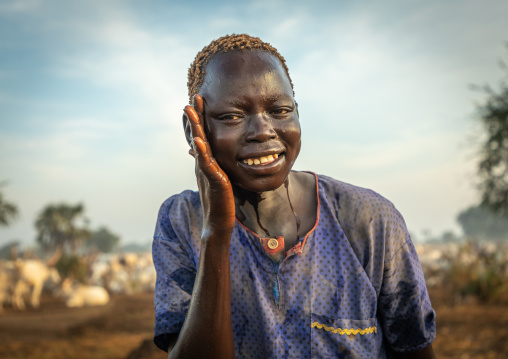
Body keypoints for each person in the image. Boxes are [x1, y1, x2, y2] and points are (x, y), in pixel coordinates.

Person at [152, 34, 436, 359]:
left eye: (280, 110)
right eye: (232, 116)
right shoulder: (181, 220)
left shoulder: (368, 219)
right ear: (194, 128)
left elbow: (416, 350)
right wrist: (215, 232)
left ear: (297, 114)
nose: (263, 131)